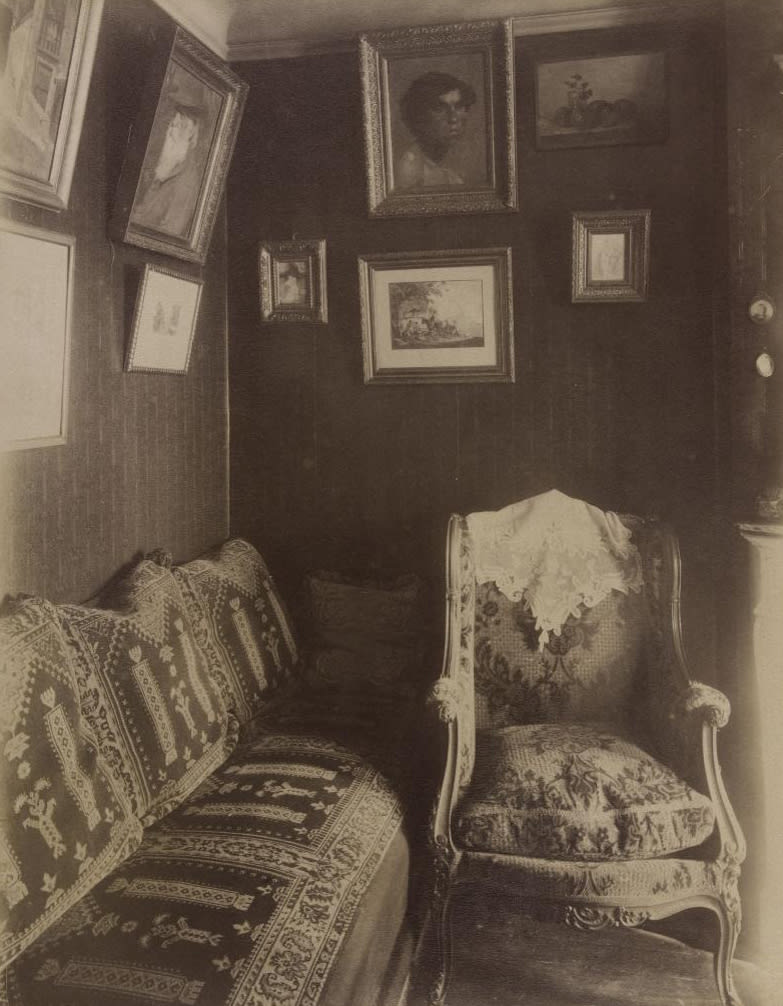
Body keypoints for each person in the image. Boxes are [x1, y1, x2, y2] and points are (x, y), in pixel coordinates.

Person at [132, 75, 208, 239]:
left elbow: (164, 239)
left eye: (182, 121)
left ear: (193, 132)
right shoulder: (167, 166)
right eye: (175, 117)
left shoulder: (187, 184)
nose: (172, 126)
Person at [395, 71, 476, 191]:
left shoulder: (452, 169)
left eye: (459, 107)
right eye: (440, 108)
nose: (453, 118)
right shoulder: (409, 173)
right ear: (418, 117)